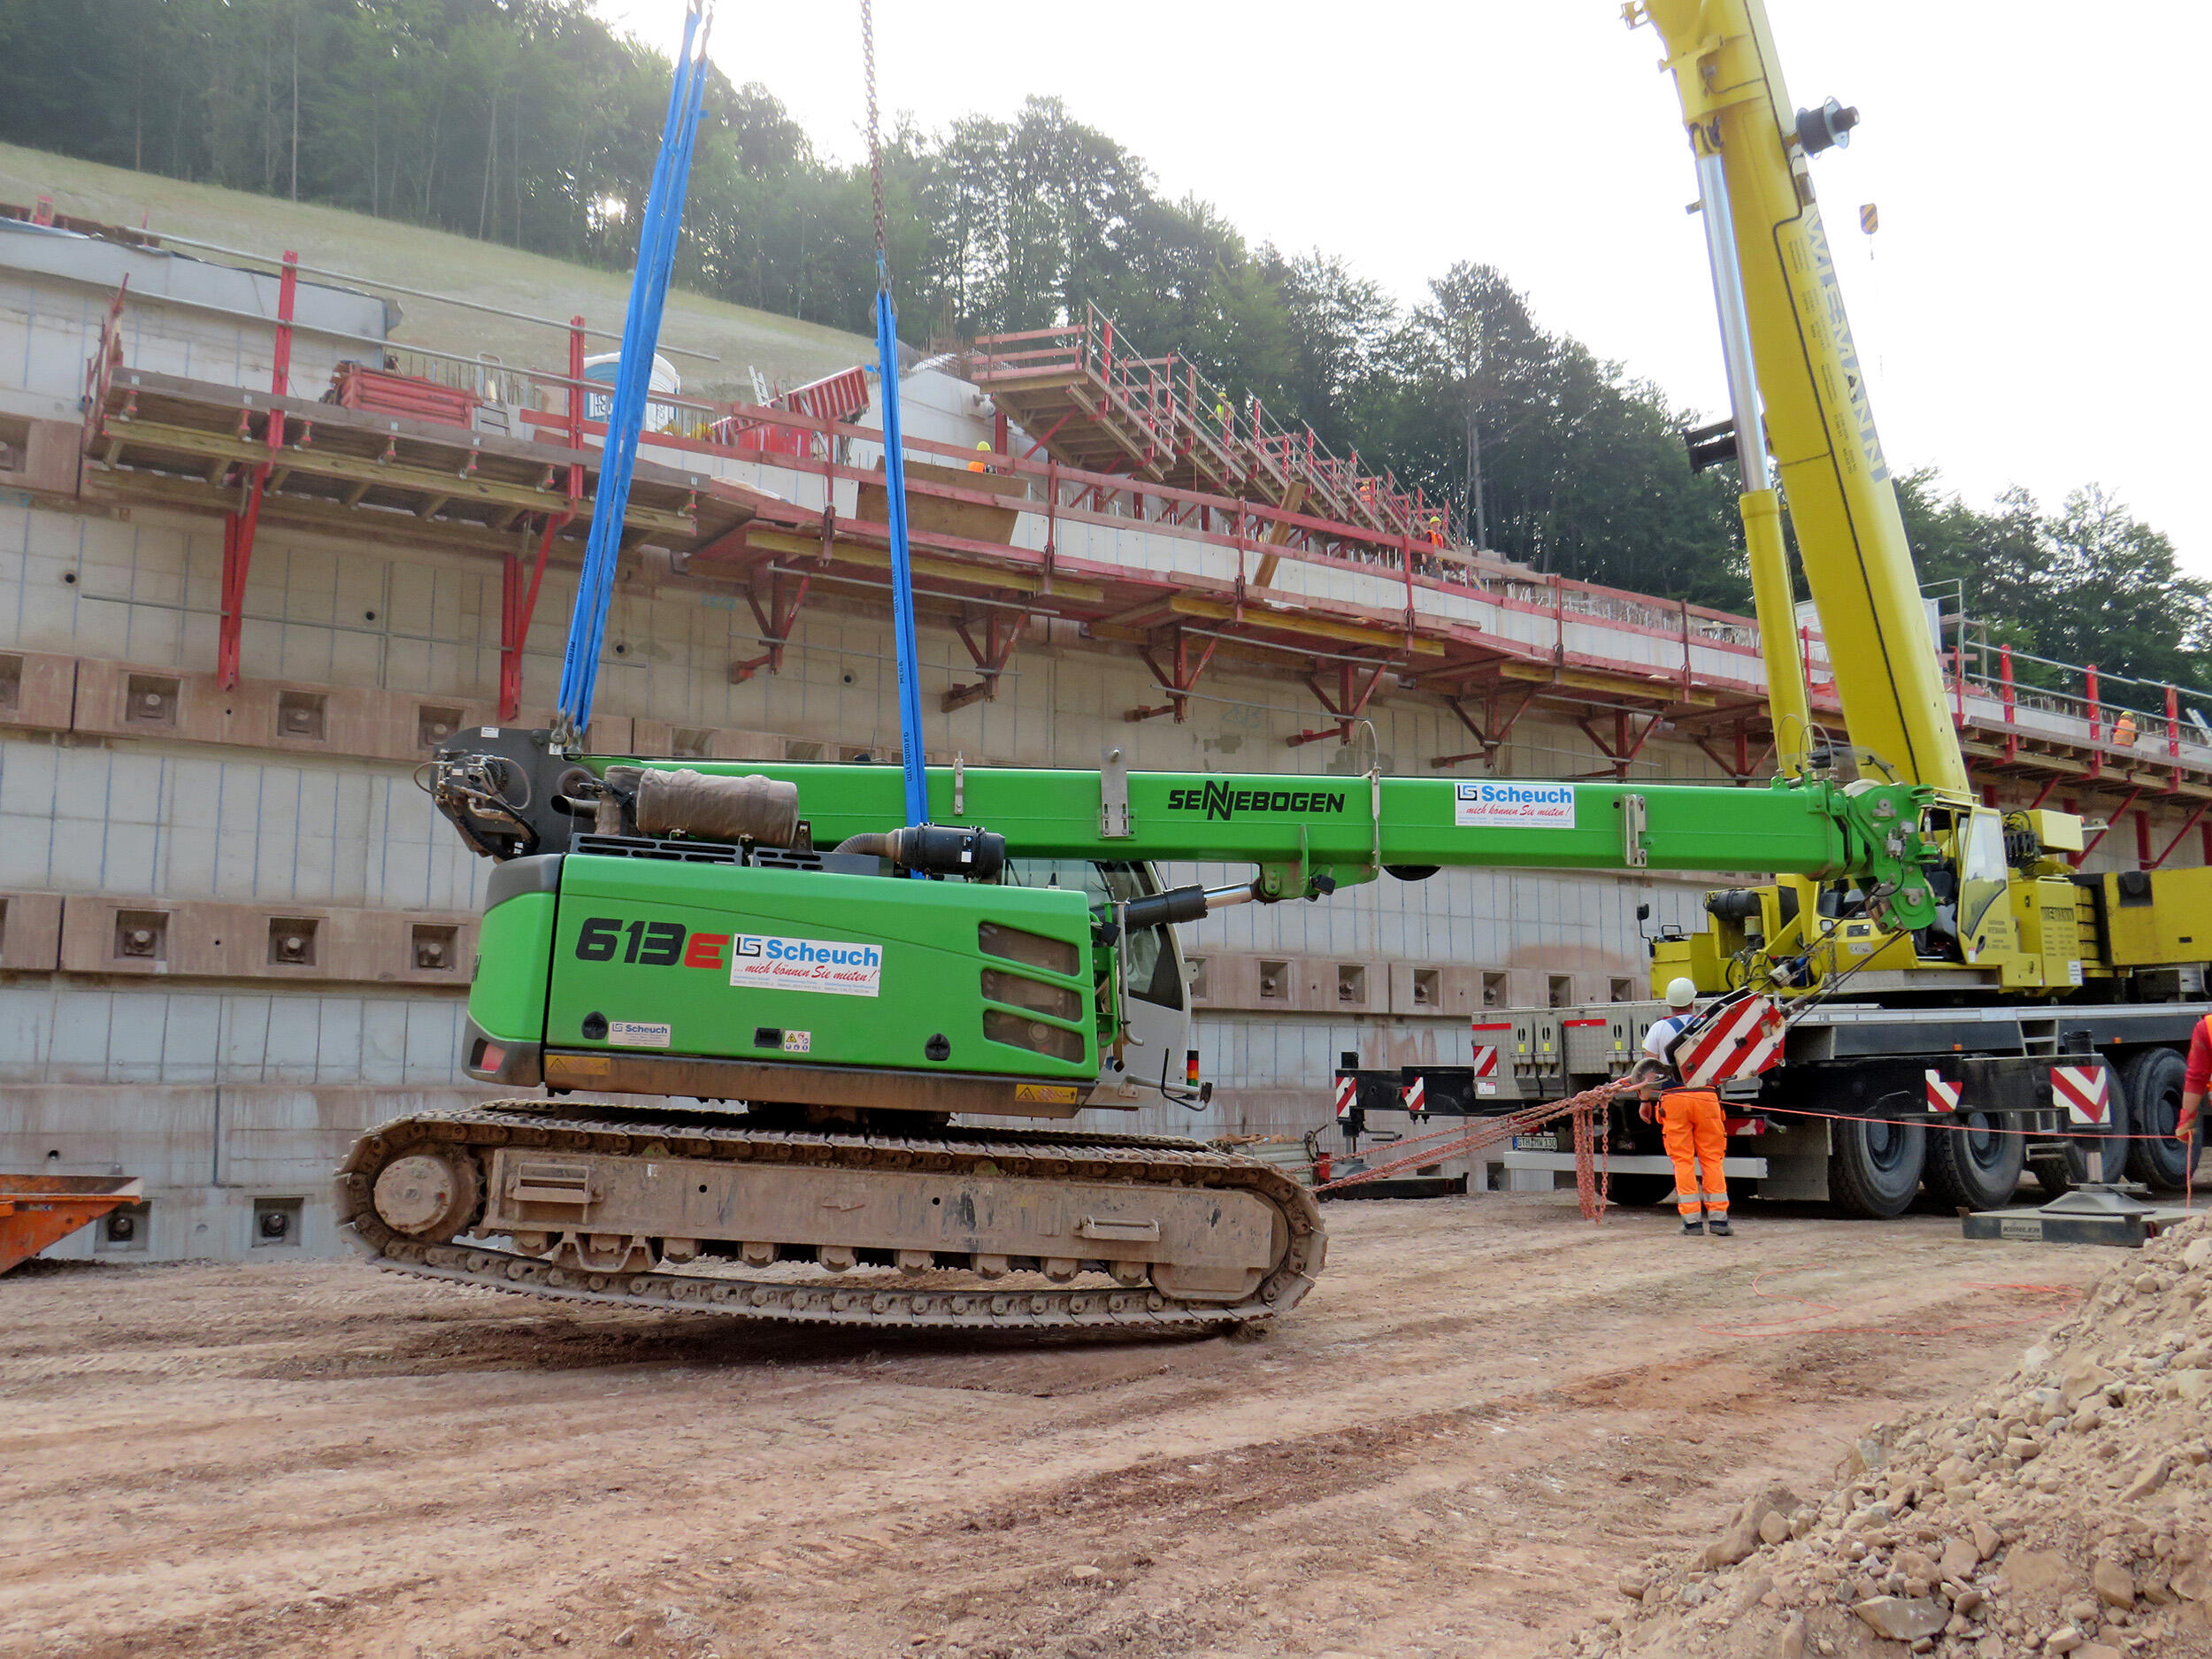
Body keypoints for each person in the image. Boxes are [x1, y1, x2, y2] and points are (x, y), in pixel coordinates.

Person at [1627, 978, 1732, 1237]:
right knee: (1712, 1158)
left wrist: (1644, 1101)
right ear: (1692, 1001)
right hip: (1706, 1097)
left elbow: (1647, 1071)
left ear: (1669, 1003)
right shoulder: (1707, 1025)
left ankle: (1692, 1222)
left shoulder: (1659, 1029)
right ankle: (1719, 1220)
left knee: (1683, 1160)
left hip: (1673, 1099)